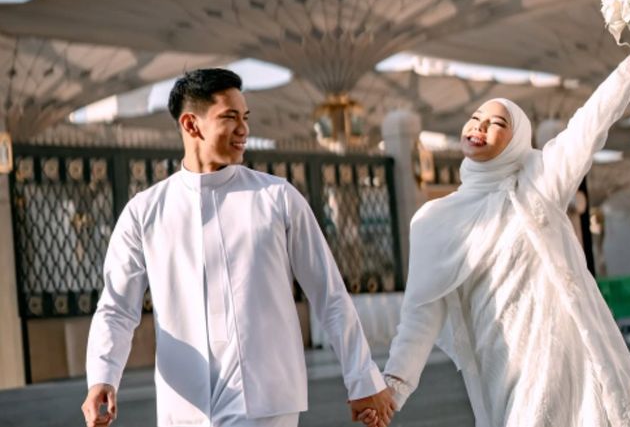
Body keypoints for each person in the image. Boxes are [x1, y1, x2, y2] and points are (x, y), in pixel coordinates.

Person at [360, 6, 630, 427]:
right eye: (475, 118)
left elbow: (590, 123)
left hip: (566, 360)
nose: (480, 126)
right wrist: (393, 389)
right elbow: (421, 313)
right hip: (504, 368)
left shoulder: (539, 182)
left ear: (517, 138)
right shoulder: (435, 220)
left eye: (496, 122)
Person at [81, 68, 395, 427]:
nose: (244, 129)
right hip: (184, 408)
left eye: (245, 117)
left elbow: (329, 295)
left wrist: (362, 378)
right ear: (191, 124)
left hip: (265, 401)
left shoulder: (277, 198)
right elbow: (117, 308)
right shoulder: (144, 212)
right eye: (230, 117)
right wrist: (102, 377)